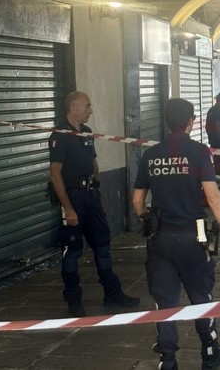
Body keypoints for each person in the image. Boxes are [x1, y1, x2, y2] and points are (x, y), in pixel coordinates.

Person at [132, 98, 220, 370]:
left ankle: (167, 360)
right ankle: (210, 352)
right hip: (193, 236)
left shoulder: (151, 154)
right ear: (191, 121)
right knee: (200, 296)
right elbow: (213, 197)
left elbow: (136, 201)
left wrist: (148, 220)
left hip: (160, 239)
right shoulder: (198, 152)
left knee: (165, 301)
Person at [48, 91, 140, 318]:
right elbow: (55, 174)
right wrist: (68, 208)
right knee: (72, 250)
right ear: (74, 108)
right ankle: (73, 300)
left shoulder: (87, 133)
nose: (91, 110)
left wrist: (95, 181)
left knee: (102, 244)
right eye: (87, 106)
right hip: (73, 197)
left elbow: (93, 160)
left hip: (91, 195)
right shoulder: (59, 134)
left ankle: (112, 293)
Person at [205, 92, 220, 180]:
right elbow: (218, 128)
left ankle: (217, 177)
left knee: (218, 161)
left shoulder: (212, 110)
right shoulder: (218, 111)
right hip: (219, 142)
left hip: (214, 141)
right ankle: (217, 178)